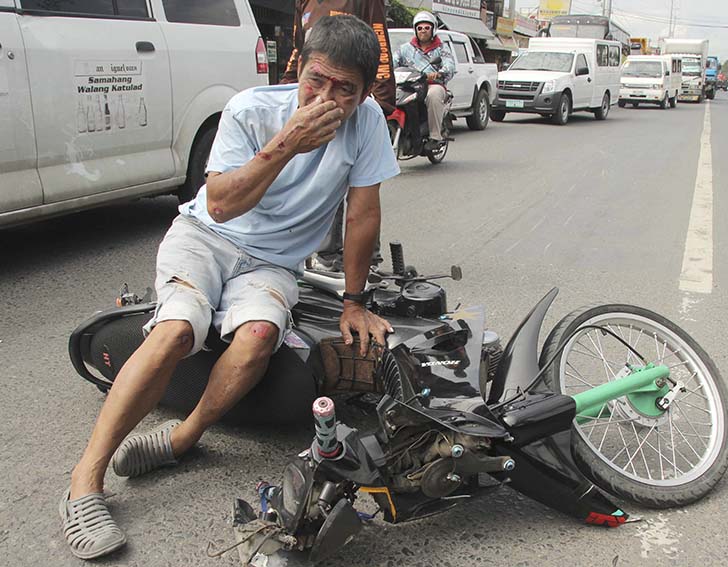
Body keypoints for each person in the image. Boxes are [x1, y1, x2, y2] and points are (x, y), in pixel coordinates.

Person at [60, 15, 399, 560]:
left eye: (346, 90)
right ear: (297, 68)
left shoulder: (368, 125)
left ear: (363, 95)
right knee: (175, 331)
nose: (328, 98)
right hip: (206, 236)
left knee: (260, 335)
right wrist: (288, 142)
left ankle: (181, 438)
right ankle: (84, 482)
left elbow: (363, 214)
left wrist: (353, 302)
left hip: (272, 262)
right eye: (318, 80)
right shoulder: (250, 110)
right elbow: (219, 203)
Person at [282, 0, 396, 272]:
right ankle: (327, 256)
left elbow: (379, 46)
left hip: (350, 99)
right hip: (315, 98)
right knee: (319, 181)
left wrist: (379, 105)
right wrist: (290, 87)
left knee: (362, 188)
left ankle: (367, 261)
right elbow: (301, 47)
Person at [393, 11, 456, 151]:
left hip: (432, 85)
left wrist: (439, 73)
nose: (423, 31)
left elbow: (450, 65)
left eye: (427, 28)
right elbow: (393, 62)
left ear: (433, 29)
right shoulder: (405, 49)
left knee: (433, 96)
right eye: (420, 28)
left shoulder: (441, 48)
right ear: (415, 30)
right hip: (409, 85)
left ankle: (435, 136)